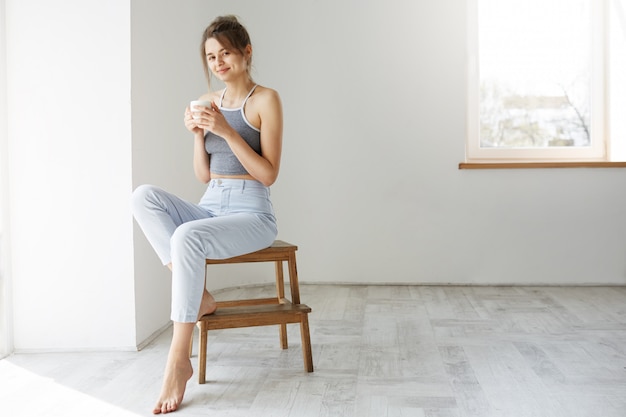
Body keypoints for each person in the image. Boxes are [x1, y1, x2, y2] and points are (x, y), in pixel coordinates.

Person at [131, 15, 283, 414]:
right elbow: (203, 173)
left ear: (246, 53)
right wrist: (199, 136)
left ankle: (178, 361)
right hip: (212, 200)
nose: (218, 63)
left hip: (252, 211)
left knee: (186, 237)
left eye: (225, 53)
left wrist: (228, 130)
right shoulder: (207, 99)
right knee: (143, 197)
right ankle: (197, 297)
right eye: (211, 56)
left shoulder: (266, 100)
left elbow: (269, 174)